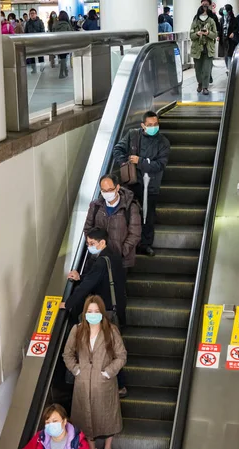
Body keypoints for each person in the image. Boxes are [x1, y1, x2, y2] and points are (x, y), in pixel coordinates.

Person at [63, 295, 127, 449]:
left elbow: (121, 355)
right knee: (85, 416)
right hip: (83, 382)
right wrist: (77, 370)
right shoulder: (77, 330)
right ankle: (91, 446)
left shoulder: (111, 330)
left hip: (105, 382)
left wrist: (108, 373)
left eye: (96, 311)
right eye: (89, 311)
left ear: (102, 312)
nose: (93, 314)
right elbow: (67, 353)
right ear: (85, 313)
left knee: (108, 415)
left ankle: (107, 446)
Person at [113, 111, 170, 256]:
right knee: (130, 215)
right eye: (150, 125)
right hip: (132, 184)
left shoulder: (163, 142)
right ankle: (130, 244)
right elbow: (118, 149)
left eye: (156, 124)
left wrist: (141, 162)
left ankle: (145, 244)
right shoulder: (133, 135)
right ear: (143, 125)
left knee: (148, 216)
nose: (153, 127)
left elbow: (160, 165)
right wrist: (125, 163)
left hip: (151, 186)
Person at [65, 228, 127, 330]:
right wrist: (80, 277)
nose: (89, 247)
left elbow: (86, 286)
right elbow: (100, 277)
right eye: (87, 244)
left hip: (106, 307)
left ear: (102, 242)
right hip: (118, 305)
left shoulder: (101, 262)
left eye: (92, 243)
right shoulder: (114, 255)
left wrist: (68, 303)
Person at [83, 174, 142, 269]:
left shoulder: (130, 207)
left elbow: (135, 234)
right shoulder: (95, 206)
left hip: (120, 261)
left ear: (117, 187)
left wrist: (121, 253)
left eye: (110, 190)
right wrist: (93, 246)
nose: (107, 193)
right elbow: (87, 229)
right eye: (104, 190)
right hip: (98, 259)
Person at [23, 404, 90, 449]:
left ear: (64, 421)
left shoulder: (79, 443)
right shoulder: (39, 438)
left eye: (55, 421)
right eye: (47, 422)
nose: (51, 425)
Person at [190, 5, 217, 95]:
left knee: (206, 69)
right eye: (202, 13)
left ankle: (205, 87)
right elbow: (191, 36)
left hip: (208, 49)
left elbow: (215, 35)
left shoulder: (211, 21)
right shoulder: (195, 22)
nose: (203, 15)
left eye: (205, 13)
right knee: (198, 69)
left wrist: (208, 33)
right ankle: (200, 83)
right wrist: (197, 34)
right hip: (197, 49)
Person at [25, 8, 46, 73]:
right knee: (32, 56)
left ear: (36, 14)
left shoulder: (40, 22)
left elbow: (42, 31)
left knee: (40, 55)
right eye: (31, 13)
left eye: (33, 13)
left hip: (39, 41)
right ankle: (33, 69)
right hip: (30, 41)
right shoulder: (28, 23)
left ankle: (41, 67)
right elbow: (26, 32)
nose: (32, 15)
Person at [53, 11, 72, 78]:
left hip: (57, 43)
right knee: (64, 58)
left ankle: (65, 70)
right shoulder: (67, 24)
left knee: (62, 58)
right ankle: (61, 73)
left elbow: (52, 33)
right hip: (65, 44)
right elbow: (70, 34)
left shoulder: (55, 24)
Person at [221, 4, 239, 71]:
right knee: (225, 54)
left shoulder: (233, 19)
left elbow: (237, 28)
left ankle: (229, 69)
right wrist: (218, 36)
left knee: (230, 54)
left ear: (228, 10)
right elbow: (220, 28)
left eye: (224, 9)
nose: (223, 10)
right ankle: (228, 67)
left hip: (231, 39)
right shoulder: (222, 18)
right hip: (224, 39)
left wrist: (233, 33)